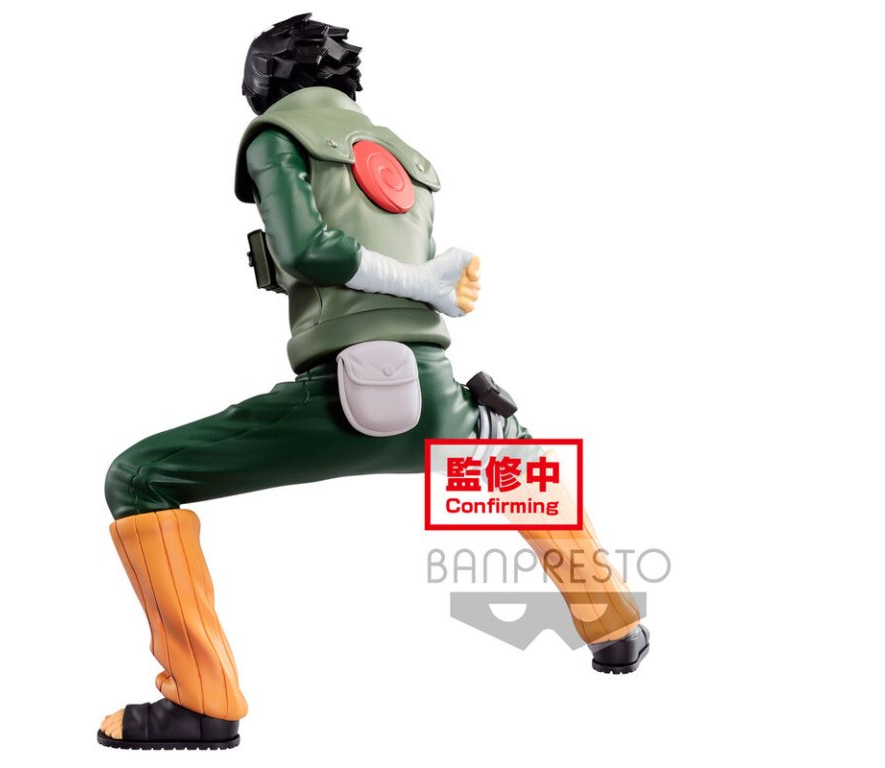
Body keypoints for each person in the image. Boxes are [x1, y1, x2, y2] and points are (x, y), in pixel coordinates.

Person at [97, 12, 649, 751]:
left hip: (345, 394)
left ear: (263, 79)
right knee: (508, 445)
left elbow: (310, 249)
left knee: (138, 478)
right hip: (433, 388)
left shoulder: (275, 137)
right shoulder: (403, 154)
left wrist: (409, 281)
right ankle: (618, 627)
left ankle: (202, 701)